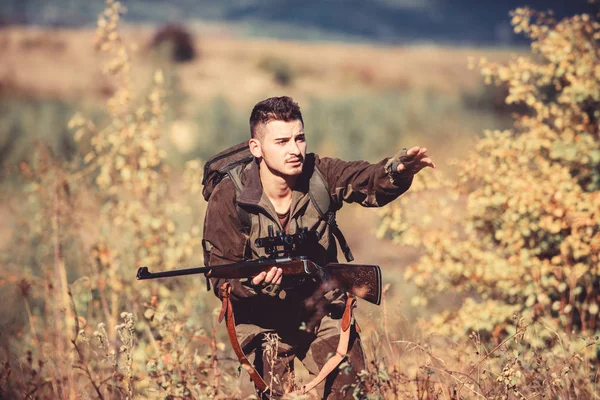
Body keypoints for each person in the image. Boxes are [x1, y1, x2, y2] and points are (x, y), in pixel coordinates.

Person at [202, 96, 435, 399]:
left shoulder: (319, 175)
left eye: (299, 138)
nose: (294, 149)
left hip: (320, 309)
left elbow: (367, 180)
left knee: (353, 391)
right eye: (281, 141)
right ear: (256, 148)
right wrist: (255, 285)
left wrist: (398, 170)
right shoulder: (230, 196)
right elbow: (221, 276)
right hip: (260, 320)